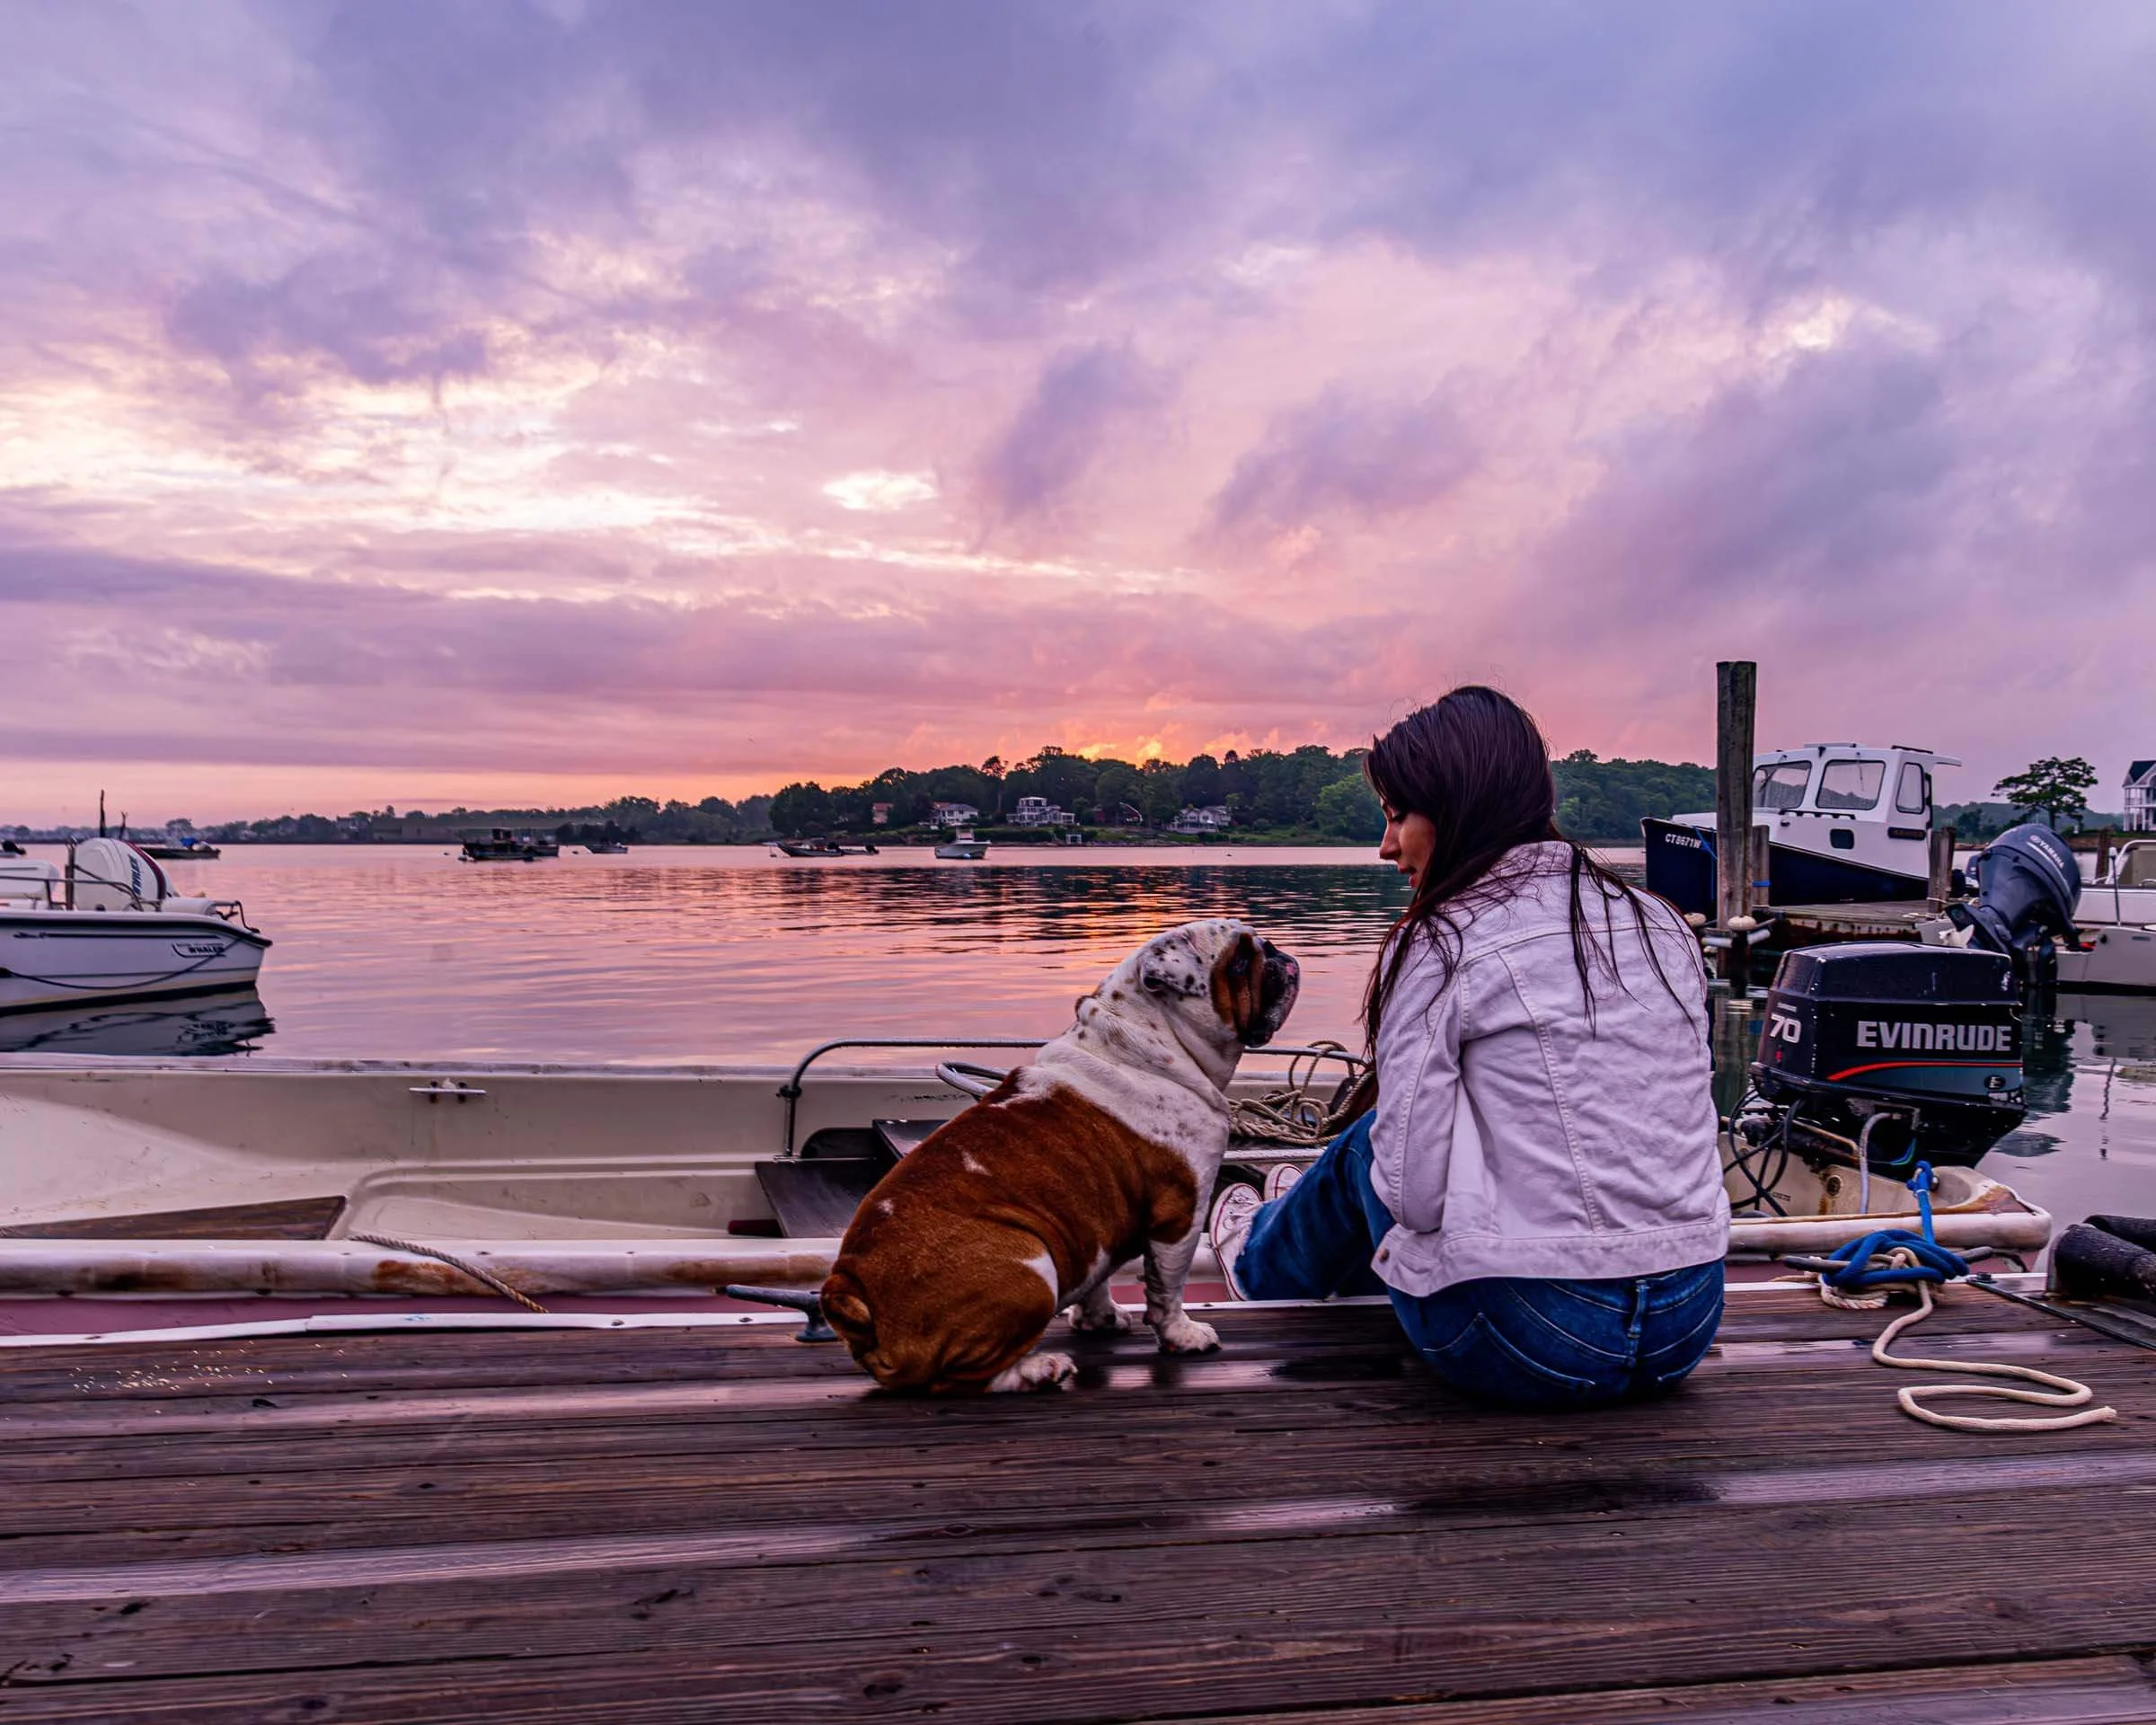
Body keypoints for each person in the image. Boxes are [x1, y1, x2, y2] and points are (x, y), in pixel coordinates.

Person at [1210, 686, 1728, 1407]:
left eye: (1397, 817)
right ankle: (1296, 1223)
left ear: (1455, 808)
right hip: (1687, 1321)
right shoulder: (1659, 923)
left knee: (1369, 1146)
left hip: (1525, 1340)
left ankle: (1260, 1262)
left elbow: (1412, 1196)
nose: (1386, 847)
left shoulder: (1444, 941)